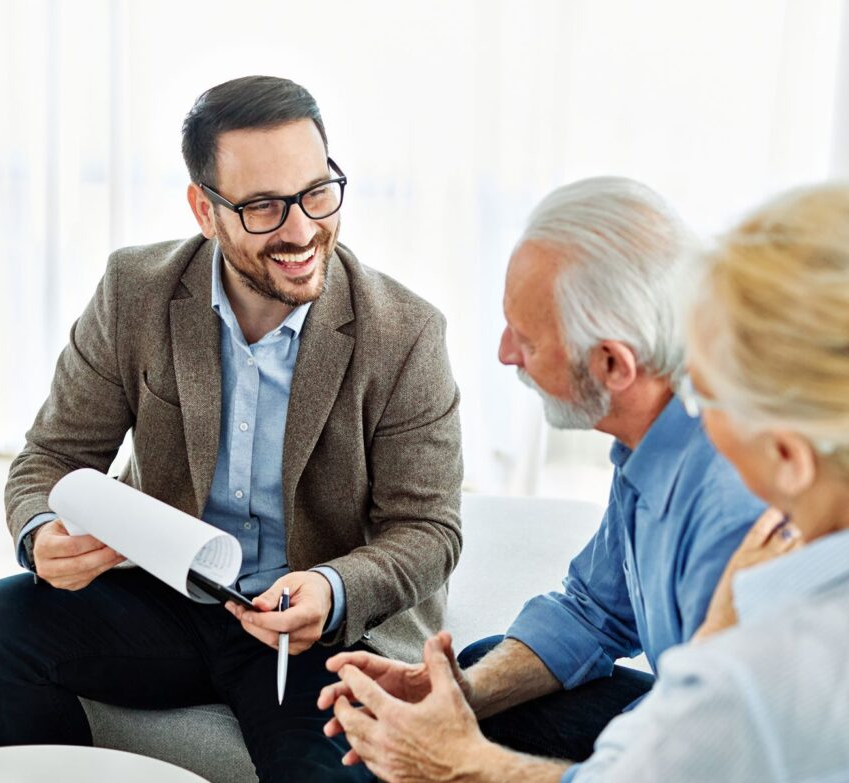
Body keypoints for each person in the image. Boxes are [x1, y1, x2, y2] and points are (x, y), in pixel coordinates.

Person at [0, 75, 463, 783]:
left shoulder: (404, 332)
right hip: (167, 598)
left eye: (317, 191)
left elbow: (429, 529)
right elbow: (52, 457)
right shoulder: (136, 290)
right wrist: (41, 535)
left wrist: (331, 588)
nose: (303, 230)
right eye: (263, 207)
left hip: (309, 630)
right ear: (204, 210)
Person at [317, 176, 765, 780]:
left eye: (525, 338)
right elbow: (594, 611)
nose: (505, 353)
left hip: (725, 756)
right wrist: (451, 694)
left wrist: (459, 763)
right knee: (484, 665)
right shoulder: (655, 434)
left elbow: (709, 765)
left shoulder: (733, 506)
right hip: (687, 714)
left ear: (612, 363)